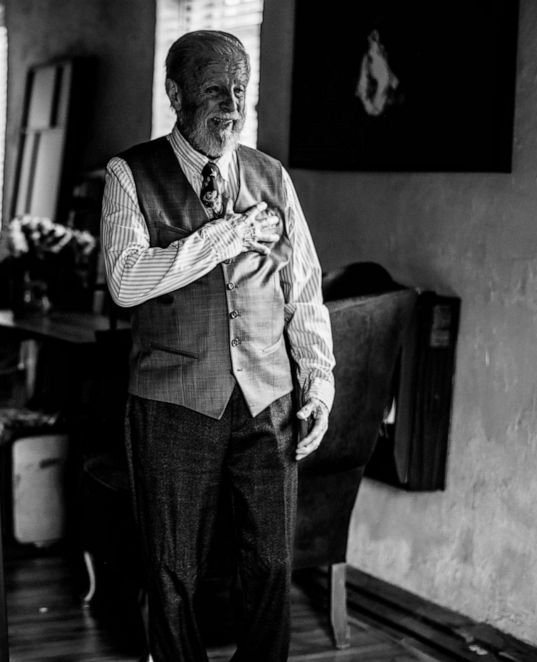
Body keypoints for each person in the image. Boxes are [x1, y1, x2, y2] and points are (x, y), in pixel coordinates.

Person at [100, 30, 335, 661]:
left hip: (269, 399)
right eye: (213, 90)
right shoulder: (129, 174)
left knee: (270, 566)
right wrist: (227, 236)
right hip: (174, 402)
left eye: (239, 89)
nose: (230, 105)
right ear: (175, 94)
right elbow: (125, 281)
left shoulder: (271, 176)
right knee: (173, 572)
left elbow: (304, 288)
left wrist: (318, 384)